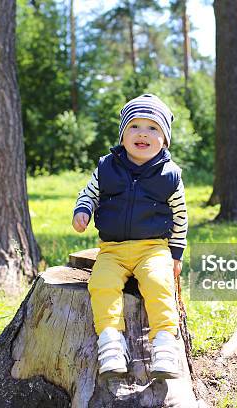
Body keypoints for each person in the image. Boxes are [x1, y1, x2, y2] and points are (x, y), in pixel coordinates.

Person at [72, 94, 188, 380]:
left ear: (164, 139)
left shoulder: (169, 175)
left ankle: (164, 342)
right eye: (135, 126)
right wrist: (83, 209)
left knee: (159, 284)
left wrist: (175, 253)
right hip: (112, 249)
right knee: (101, 284)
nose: (143, 134)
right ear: (123, 134)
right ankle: (111, 341)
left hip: (153, 248)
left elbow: (180, 216)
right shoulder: (106, 167)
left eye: (153, 128)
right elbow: (89, 193)